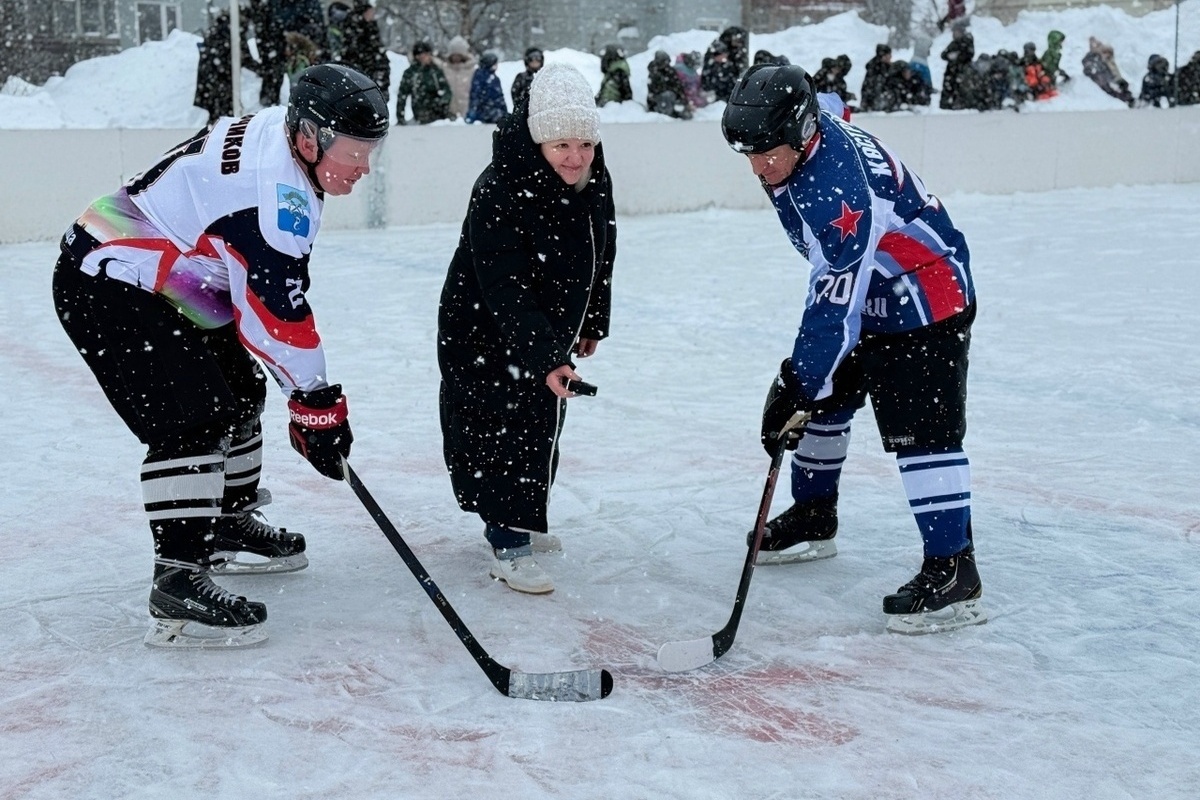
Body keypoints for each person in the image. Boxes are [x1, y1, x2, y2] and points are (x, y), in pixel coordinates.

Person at [52, 65, 388, 648]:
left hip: (171, 268)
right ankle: (179, 577)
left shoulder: (283, 141)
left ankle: (225, 524)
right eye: (354, 152)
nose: (364, 168)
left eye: (370, 152)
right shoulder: (272, 197)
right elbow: (276, 319)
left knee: (241, 389)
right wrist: (317, 406)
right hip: (109, 279)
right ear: (308, 138)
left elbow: (259, 306)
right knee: (192, 416)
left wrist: (308, 404)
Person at [720, 64, 985, 634]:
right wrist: (807, 388)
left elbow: (832, 306)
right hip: (873, 287)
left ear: (800, 132)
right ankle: (816, 515)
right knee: (826, 402)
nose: (759, 168)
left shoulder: (836, 190)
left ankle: (953, 569)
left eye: (768, 153)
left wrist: (795, 380)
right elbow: (833, 101)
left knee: (923, 434)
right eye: (748, 154)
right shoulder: (809, 128)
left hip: (927, 295)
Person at [437, 63, 615, 594]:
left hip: (545, 328)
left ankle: (520, 522)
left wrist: (592, 320)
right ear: (538, 137)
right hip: (482, 329)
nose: (575, 156)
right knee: (498, 427)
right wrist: (545, 356)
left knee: (539, 425)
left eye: (584, 142)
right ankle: (507, 541)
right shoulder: (500, 187)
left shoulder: (592, 176)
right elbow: (503, 284)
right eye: (562, 143)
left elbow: (602, 252)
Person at [193, 8, 255, 125]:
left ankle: (212, 133)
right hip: (220, 76)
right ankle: (216, 135)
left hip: (211, 75)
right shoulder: (233, 30)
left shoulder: (221, 26)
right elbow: (243, 56)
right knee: (224, 113)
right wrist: (259, 67)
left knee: (217, 111)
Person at [337, 0, 390, 95]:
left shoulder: (372, 29)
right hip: (359, 77)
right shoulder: (353, 29)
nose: (372, 15)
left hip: (370, 77)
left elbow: (380, 56)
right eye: (369, 12)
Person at [396, 40, 453, 124]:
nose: (425, 57)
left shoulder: (436, 71)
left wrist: (442, 103)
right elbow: (402, 95)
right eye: (421, 55)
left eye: (426, 54)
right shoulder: (411, 73)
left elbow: (446, 90)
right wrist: (400, 117)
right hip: (420, 114)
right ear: (416, 57)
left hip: (439, 114)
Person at [1082, 37, 1135, 107]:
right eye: (1105, 53)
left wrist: (1120, 82)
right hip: (1105, 90)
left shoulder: (1109, 62)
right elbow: (1106, 84)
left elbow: (1115, 76)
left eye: (1109, 53)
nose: (1107, 55)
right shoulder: (1095, 61)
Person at [940, 18, 976, 110]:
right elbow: (943, 54)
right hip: (952, 71)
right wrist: (950, 56)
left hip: (962, 70)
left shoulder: (967, 42)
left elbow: (969, 54)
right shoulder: (953, 43)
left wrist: (958, 56)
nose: (955, 34)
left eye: (957, 31)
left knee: (961, 88)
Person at [646, 49, 692, 119]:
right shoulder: (654, 73)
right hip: (658, 100)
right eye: (664, 62)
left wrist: (683, 99)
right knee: (667, 95)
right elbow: (655, 90)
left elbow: (678, 86)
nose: (666, 64)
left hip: (673, 98)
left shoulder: (671, 71)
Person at [464, 51, 508, 123]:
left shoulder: (494, 78)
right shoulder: (480, 76)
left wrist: (504, 111)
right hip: (484, 113)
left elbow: (500, 97)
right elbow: (476, 96)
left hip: (493, 111)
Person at [443, 35, 477, 120]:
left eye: (459, 55)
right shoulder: (444, 69)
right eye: (454, 55)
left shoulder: (472, 69)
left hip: (467, 110)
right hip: (449, 112)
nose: (456, 58)